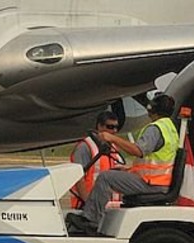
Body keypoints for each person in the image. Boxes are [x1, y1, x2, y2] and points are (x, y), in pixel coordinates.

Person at [68, 94, 177, 235]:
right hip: (159, 182)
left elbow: (138, 151)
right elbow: (158, 161)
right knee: (114, 175)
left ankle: (90, 221)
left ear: (152, 108)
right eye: (109, 128)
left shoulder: (155, 129)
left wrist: (112, 138)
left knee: (106, 178)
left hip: (152, 184)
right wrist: (130, 170)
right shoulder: (170, 128)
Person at [65, 111, 124, 243]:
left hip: (109, 211)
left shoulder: (115, 150)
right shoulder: (86, 147)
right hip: (87, 208)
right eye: (109, 127)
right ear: (99, 127)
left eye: (115, 127)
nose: (112, 130)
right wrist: (88, 203)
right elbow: (78, 177)